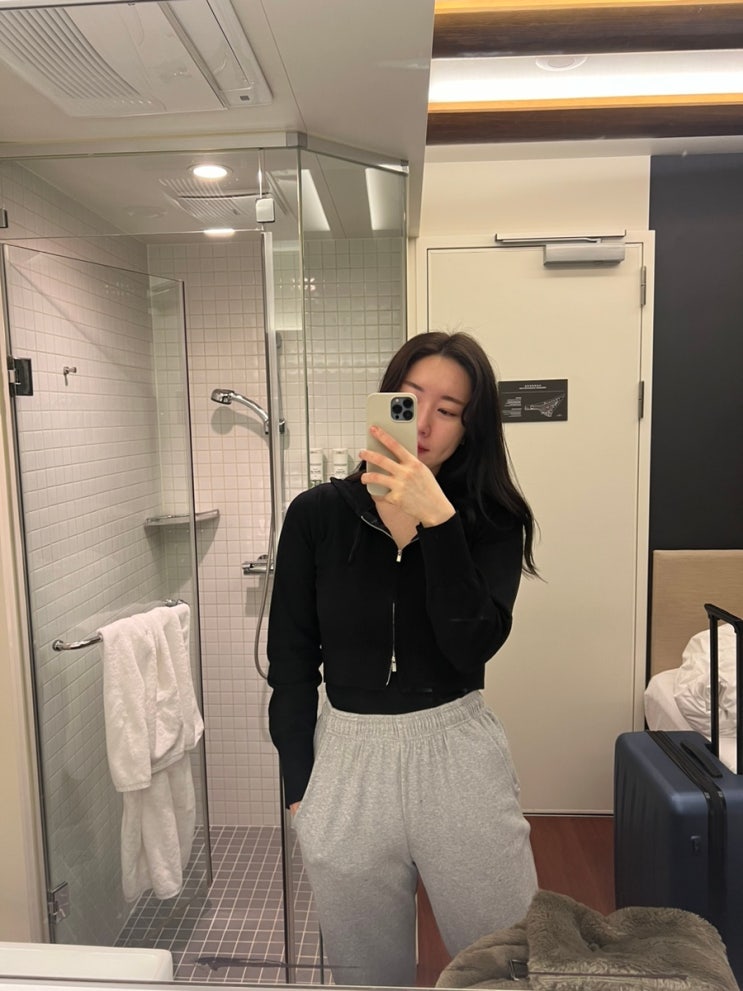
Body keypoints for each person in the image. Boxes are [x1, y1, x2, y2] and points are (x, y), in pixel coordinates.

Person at [266, 331, 539, 987]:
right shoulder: (316, 515)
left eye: (448, 409)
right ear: (385, 399)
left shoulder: (491, 519)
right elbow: (291, 660)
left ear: (469, 427)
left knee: (504, 962)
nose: (424, 423)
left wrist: (438, 522)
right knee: (367, 973)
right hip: (346, 758)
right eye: (410, 400)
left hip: (455, 753)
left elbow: (472, 643)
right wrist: (301, 787)